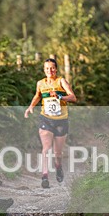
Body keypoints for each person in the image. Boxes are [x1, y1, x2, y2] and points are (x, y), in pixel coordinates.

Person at [24, 58, 77, 188]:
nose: (50, 71)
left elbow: (73, 97)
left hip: (61, 120)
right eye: (47, 68)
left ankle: (58, 167)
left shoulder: (61, 81)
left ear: (56, 69)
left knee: (57, 153)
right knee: (46, 148)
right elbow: (38, 95)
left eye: (52, 68)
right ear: (44, 70)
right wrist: (31, 106)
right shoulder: (41, 83)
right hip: (46, 119)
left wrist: (59, 96)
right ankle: (45, 176)